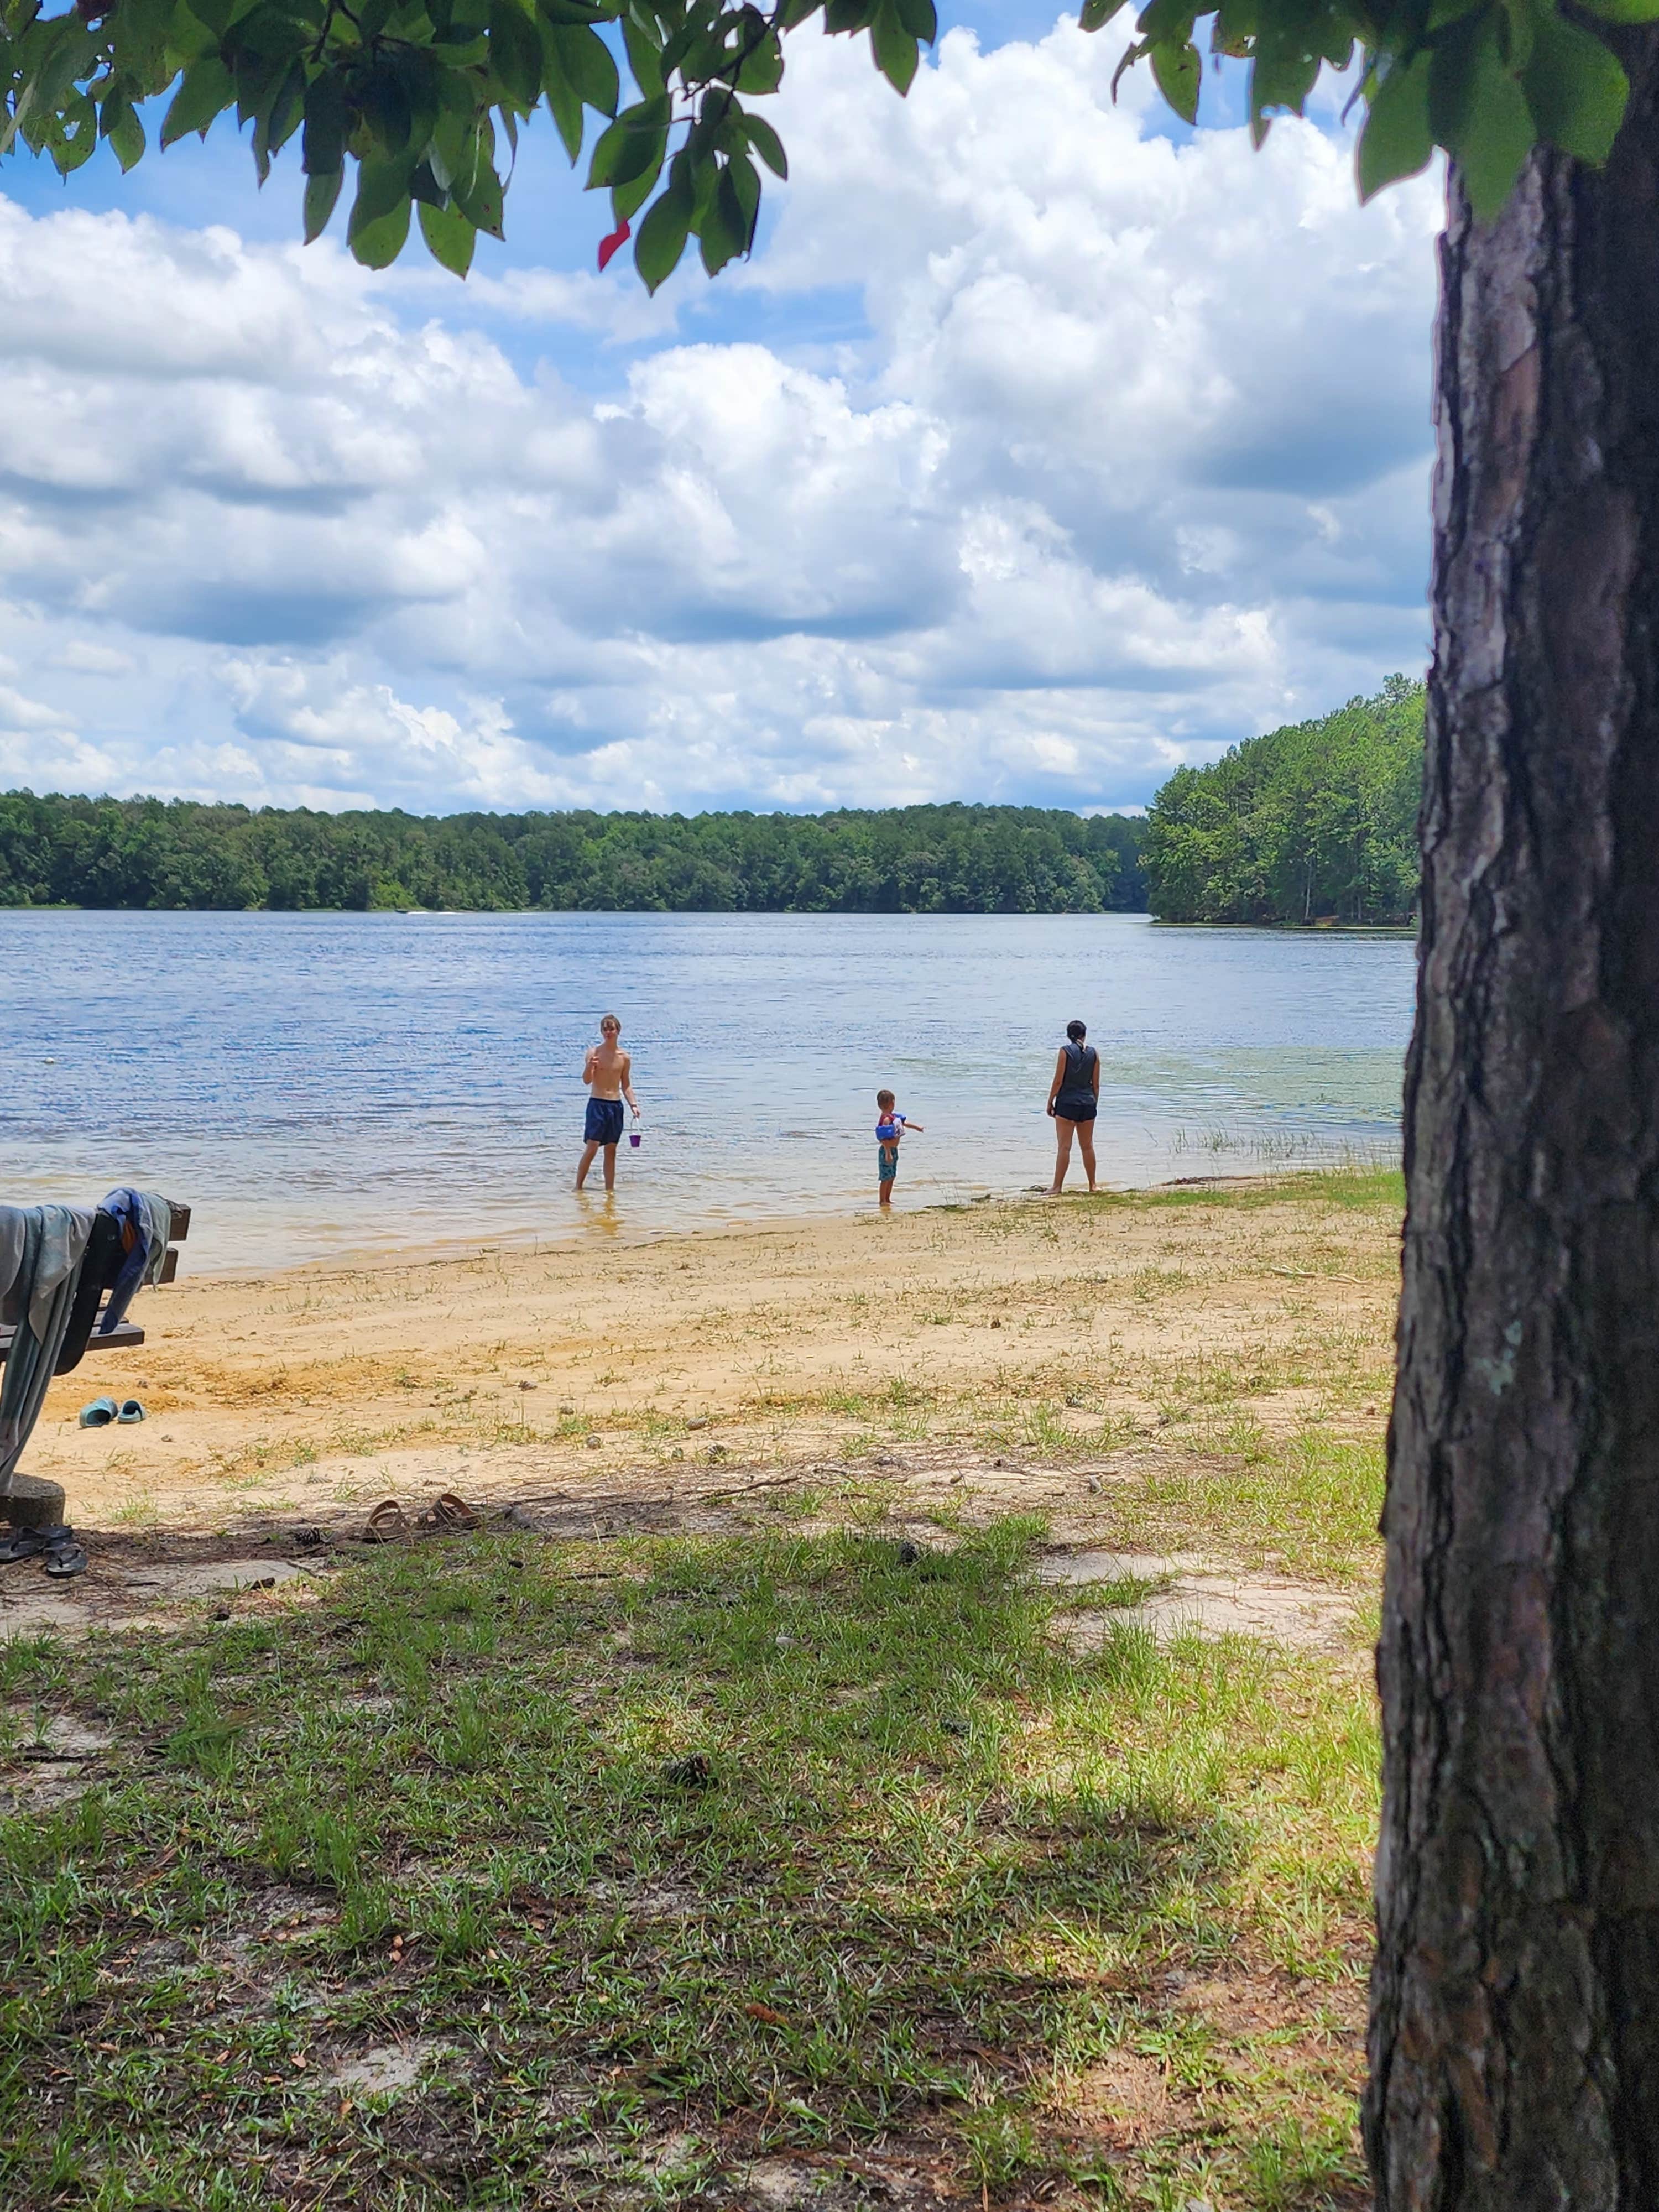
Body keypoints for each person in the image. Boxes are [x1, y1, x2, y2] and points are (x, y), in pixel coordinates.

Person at [576, 1013, 640, 1192]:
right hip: (597, 1104)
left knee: (611, 1151)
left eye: (611, 1029)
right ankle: (578, 1188)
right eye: (605, 1029)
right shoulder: (594, 1053)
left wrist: (634, 1105)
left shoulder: (624, 1058)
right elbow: (587, 1080)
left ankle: (609, 1192)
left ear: (618, 1030)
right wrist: (590, 1067)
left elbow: (626, 1085)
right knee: (592, 1147)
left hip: (615, 1106)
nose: (608, 1032)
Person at [1046, 1018, 1100, 1194]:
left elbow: (1059, 1080)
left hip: (1067, 1104)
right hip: (1087, 1104)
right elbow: (1096, 1085)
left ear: (1069, 1036)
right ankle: (1093, 1185)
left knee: (1064, 1147)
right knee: (1088, 1146)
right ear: (1084, 1035)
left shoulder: (1065, 1052)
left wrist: (1050, 1101)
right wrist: (1093, 1103)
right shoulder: (1094, 1054)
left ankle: (1057, 1187)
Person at [874, 1088, 923, 1209]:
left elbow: (904, 1124)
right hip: (887, 1151)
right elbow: (884, 1139)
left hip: (893, 1150)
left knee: (891, 1176)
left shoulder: (893, 1117)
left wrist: (917, 1128)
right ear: (892, 1102)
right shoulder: (886, 1120)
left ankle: (888, 1199)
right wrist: (888, 1153)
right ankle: (882, 1200)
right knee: (885, 1178)